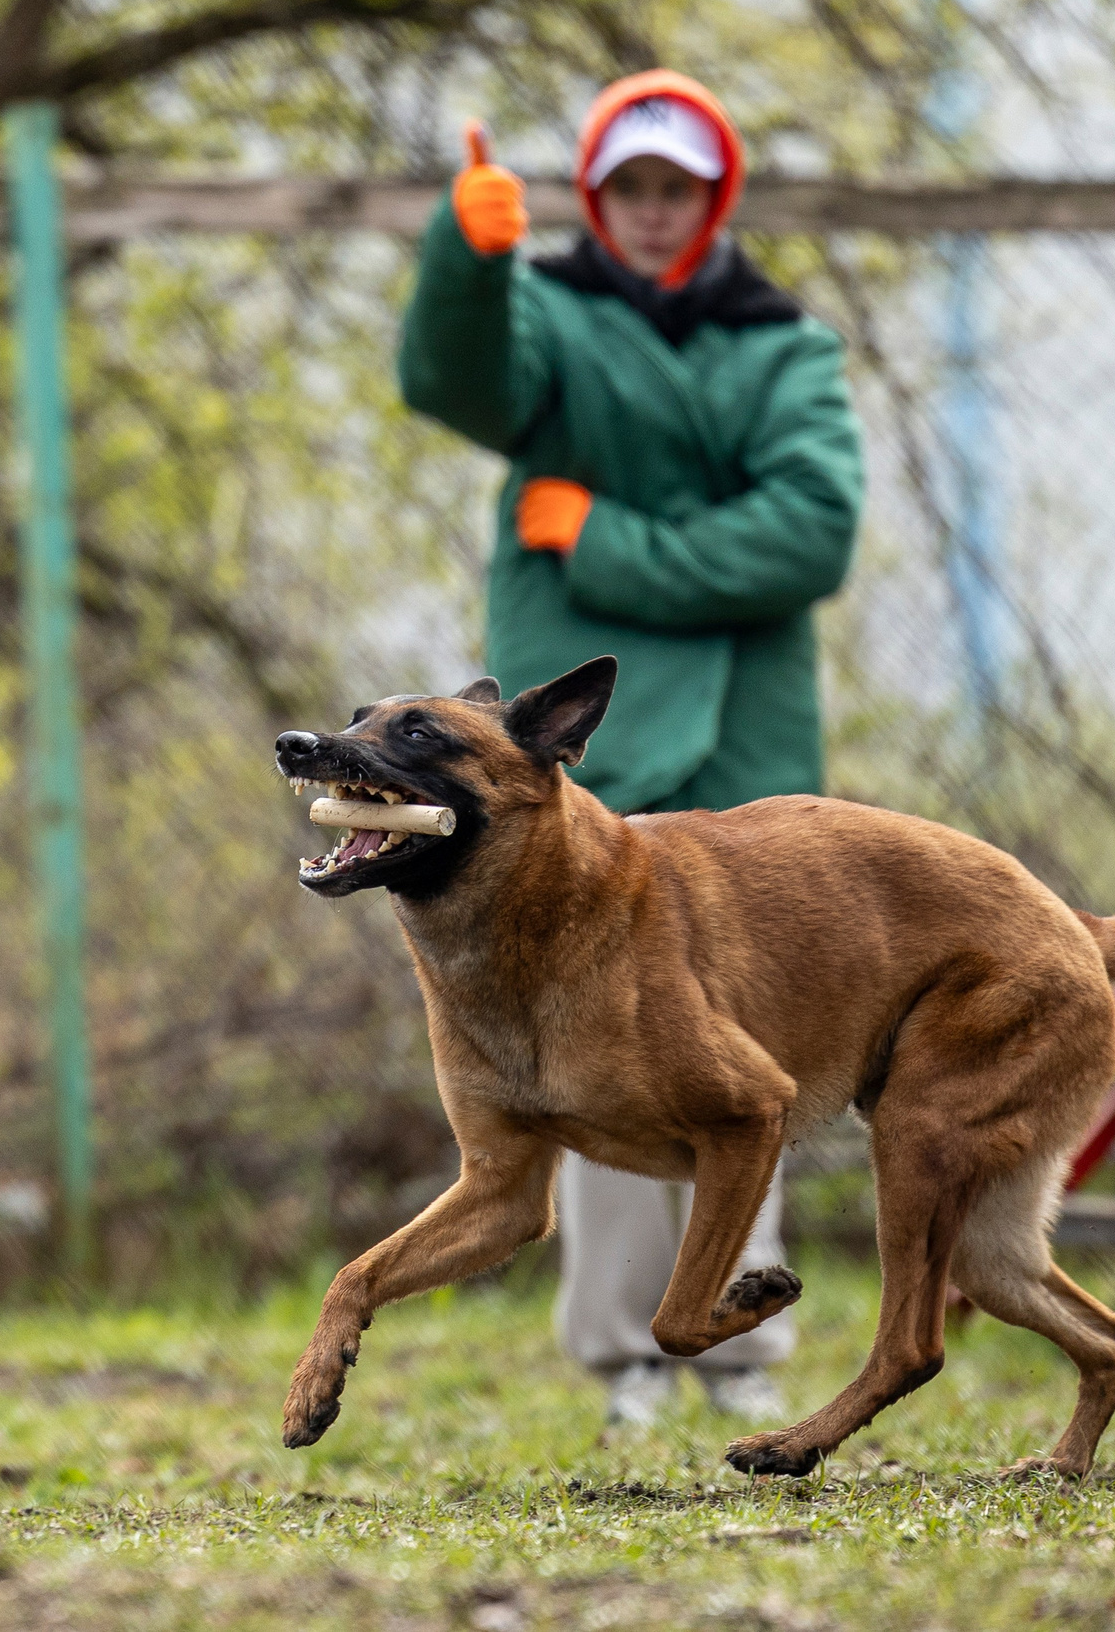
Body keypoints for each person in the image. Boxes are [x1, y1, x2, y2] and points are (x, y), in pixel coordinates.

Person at [394, 71, 866, 1430]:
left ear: (711, 201)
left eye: (678, 189)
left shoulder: (785, 349)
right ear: (598, 198)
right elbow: (458, 375)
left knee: (739, 1053)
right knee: (585, 1043)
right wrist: (467, 263)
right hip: (570, 751)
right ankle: (625, 1358)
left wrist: (603, 540)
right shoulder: (549, 317)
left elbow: (809, 535)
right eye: (630, 189)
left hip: (743, 740)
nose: (654, 213)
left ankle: (736, 1349)